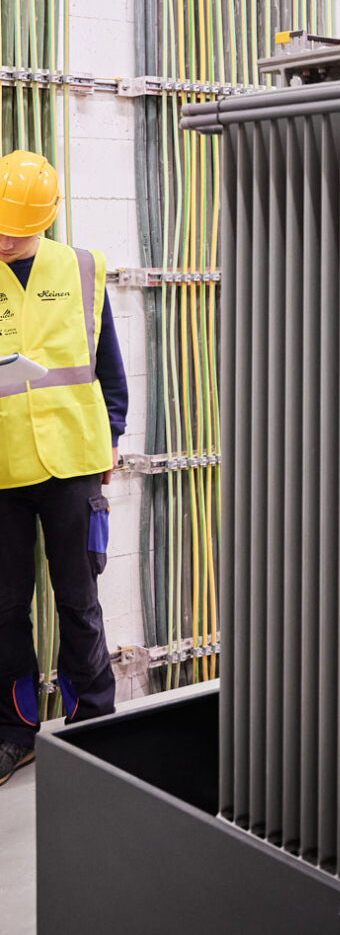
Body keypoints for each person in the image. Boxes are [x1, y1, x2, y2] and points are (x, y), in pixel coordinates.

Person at [0, 149, 128, 785]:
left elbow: (108, 368)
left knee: (79, 600)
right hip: (2, 469)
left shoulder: (81, 268)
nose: (4, 240)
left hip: (73, 463)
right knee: (4, 608)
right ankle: (14, 732)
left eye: (16, 232)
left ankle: (95, 725)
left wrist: (114, 435)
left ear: (44, 220)